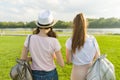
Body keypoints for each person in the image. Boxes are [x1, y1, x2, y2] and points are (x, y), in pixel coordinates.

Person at [21, 10, 64, 80]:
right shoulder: (54, 41)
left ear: (39, 25)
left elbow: (22, 59)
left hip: (34, 74)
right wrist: (53, 56)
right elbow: (61, 64)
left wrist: (33, 58)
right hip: (51, 74)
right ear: (51, 25)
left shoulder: (29, 38)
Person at [65, 13, 100, 80]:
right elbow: (97, 56)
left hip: (77, 73)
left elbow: (68, 60)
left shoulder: (70, 41)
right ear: (85, 24)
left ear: (74, 25)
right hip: (91, 73)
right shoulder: (92, 39)